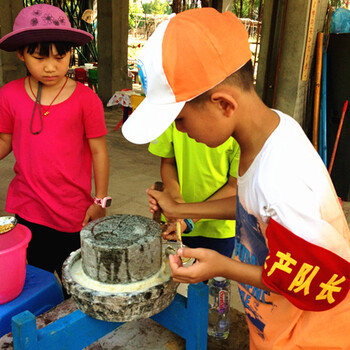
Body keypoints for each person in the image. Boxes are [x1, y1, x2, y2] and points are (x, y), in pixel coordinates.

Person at [122, 8, 350, 349]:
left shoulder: (281, 182)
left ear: (223, 104)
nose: (178, 130)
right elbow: (252, 206)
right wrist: (185, 210)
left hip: (305, 336)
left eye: (180, 120)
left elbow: (326, 281)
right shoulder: (272, 129)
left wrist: (223, 266)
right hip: (277, 323)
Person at [0, 4, 111, 282]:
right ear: (22, 54)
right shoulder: (9, 95)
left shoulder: (86, 99)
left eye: (60, 57)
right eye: (39, 57)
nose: (50, 67)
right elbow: (5, 141)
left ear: (70, 53)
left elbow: (99, 151)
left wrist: (100, 200)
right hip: (28, 208)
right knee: (39, 279)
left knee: (74, 281)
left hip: (74, 212)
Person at [148, 121, 239, 258]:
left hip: (219, 227)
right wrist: (176, 199)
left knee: (213, 275)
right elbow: (168, 163)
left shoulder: (237, 131)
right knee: (177, 271)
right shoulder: (172, 115)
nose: (182, 128)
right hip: (176, 222)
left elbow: (234, 187)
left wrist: (187, 216)